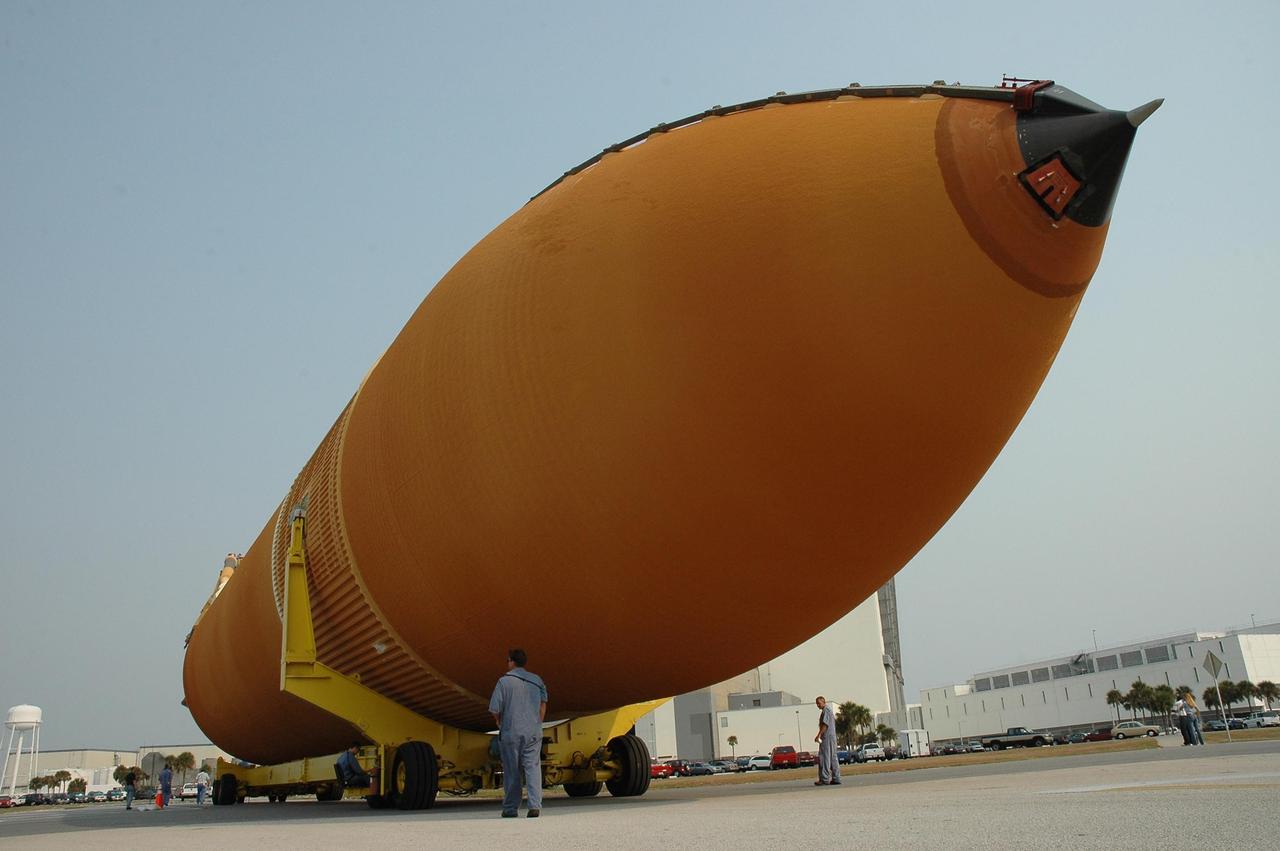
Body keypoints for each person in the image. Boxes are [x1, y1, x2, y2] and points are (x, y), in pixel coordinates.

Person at [489, 648, 548, 818]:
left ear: (511, 662)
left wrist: (499, 720)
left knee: (512, 770)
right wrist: (538, 722)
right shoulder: (537, 680)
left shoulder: (504, 682)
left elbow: (494, 708)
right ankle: (535, 806)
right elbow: (543, 703)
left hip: (511, 731)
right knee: (533, 767)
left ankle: (511, 808)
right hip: (534, 731)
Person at [813, 696, 841, 786]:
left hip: (827, 737)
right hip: (831, 737)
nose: (817, 705)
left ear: (824, 702)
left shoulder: (826, 711)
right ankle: (836, 778)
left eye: (819, 703)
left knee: (824, 758)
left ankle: (824, 779)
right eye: (816, 703)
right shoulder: (827, 710)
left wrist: (819, 735)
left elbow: (825, 725)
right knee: (833, 758)